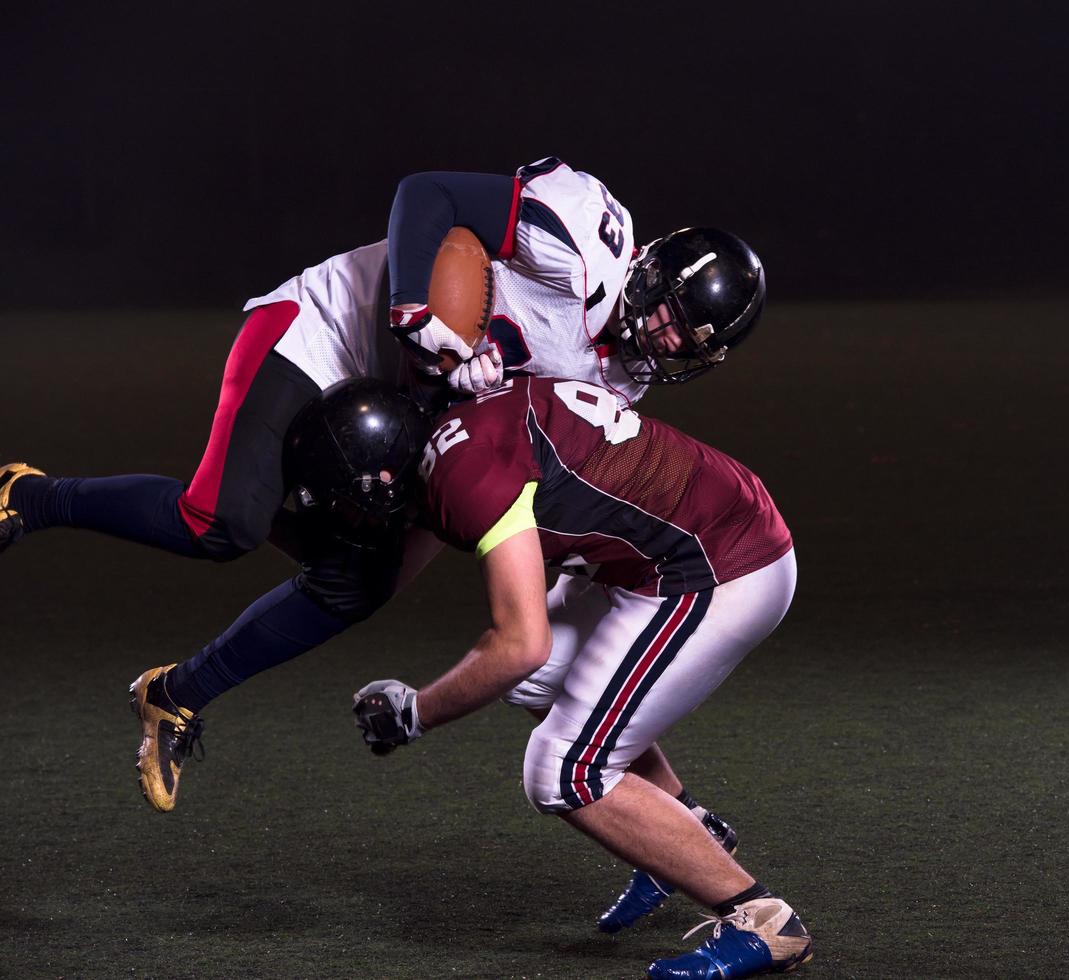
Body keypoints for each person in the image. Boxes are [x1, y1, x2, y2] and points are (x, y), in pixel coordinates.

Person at [0, 157, 768, 929]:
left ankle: (174, 696)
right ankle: (28, 497)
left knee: (355, 587)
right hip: (327, 334)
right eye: (667, 312)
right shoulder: (576, 239)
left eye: (684, 343)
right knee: (221, 523)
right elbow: (424, 194)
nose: (661, 337)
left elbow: (506, 459)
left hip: (412, 415)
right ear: (650, 268)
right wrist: (413, 307)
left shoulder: (619, 381)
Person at [348, 373, 811, 979]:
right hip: (676, 538)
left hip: (717, 565)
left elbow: (520, 643)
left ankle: (766, 921)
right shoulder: (468, 423)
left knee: (564, 771)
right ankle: (688, 831)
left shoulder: (462, 470)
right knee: (537, 688)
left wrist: (417, 712)